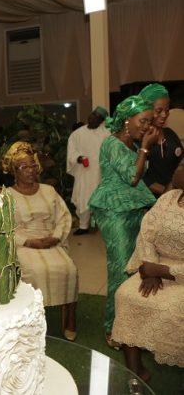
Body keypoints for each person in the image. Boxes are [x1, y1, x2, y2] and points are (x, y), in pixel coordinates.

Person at [88, 95, 159, 348]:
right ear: (127, 119)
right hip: (113, 210)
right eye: (143, 121)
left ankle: (132, 322)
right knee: (120, 269)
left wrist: (143, 147)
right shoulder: (112, 143)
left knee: (135, 267)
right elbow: (132, 177)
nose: (147, 126)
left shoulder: (132, 145)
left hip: (134, 208)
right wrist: (146, 147)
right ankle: (113, 328)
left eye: (150, 122)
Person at [111, 159, 184, 382]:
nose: (176, 170)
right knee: (125, 295)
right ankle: (136, 372)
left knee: (173, 310)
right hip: (154, 266)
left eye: (181, 167)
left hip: (177, 274)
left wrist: (162, 271)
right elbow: (147, 233)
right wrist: (150, 268)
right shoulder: (169, 198)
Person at [2, 142, 78, 341]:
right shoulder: (6, 195)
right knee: (35, 270)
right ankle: (30, 321)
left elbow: (63, 217)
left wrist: (56, 237)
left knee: (68, 268)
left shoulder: (49, 190)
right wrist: (28, 242)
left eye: (33, 165)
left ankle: (70, 319)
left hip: (50, 239)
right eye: (24, 167)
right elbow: (2, 227)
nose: (30, 170)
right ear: (14, 171)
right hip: (24, 243)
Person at [66, 106, 110, 234]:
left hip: (101, 174)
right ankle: (83, 226)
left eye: (97, 116)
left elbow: (111, 153)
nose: (93, 117)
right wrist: (79, 158)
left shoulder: (106, 135)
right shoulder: (77, 134)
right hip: (84, 174)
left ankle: (102, 226)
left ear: (101, 121)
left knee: (101, 200)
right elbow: (71, 151)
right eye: (93, 114)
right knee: (82, 198)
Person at [138, 83, 183, 197]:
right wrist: (167, 192)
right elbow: (139, 177)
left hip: (173, 197)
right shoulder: (139, 138)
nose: (164, 115)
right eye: (158, 111)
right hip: (150, 200)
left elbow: (181, 164)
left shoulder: (170, 134)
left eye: (167, 110)